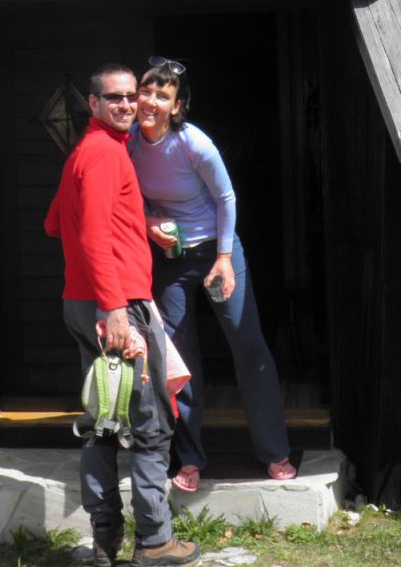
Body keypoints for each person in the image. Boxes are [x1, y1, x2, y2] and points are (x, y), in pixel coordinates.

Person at [44, 63, 200, 567]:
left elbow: (54, 224)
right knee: (150, 424)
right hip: (116, 306)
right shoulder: (107, 155)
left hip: (80, 301)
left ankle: (105, 539)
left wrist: (138, 224)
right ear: (92, 103)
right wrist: (113, 308)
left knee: (103, 422)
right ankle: (155, 541)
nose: (128, 105)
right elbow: (90, 234)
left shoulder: (82, 155)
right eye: (114, 98)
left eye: (133, 96)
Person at [129, 57, 296, 493]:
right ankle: (190, 459)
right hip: (171, 257)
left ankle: (274, 451)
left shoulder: (193, 144)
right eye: (146, 91)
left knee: (248, 344)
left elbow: (226, 197)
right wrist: (149, 225)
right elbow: (126, 198)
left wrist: (224, 258)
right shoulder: (127, 142)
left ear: (177, 105)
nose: (150, 101)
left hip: (218, 252)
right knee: (177, 360)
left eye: (161, 95)